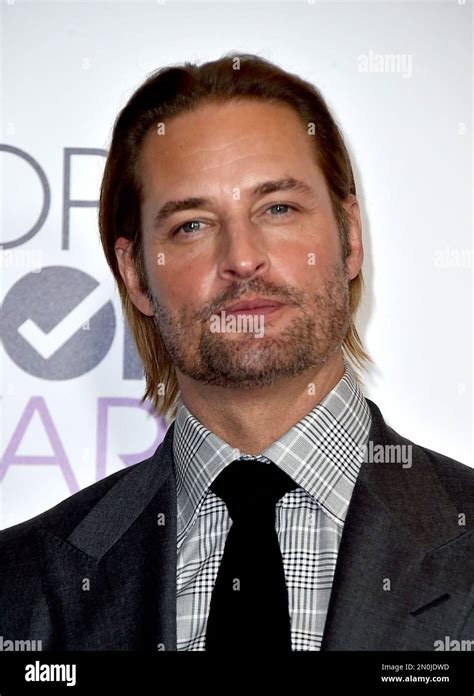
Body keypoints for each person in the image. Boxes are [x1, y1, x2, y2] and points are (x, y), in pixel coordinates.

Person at [1, 53, 472, 652]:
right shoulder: (18, 589)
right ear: (137, 276)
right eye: (192, 225)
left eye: (278, 208)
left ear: (351, 238)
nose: (242, 257)